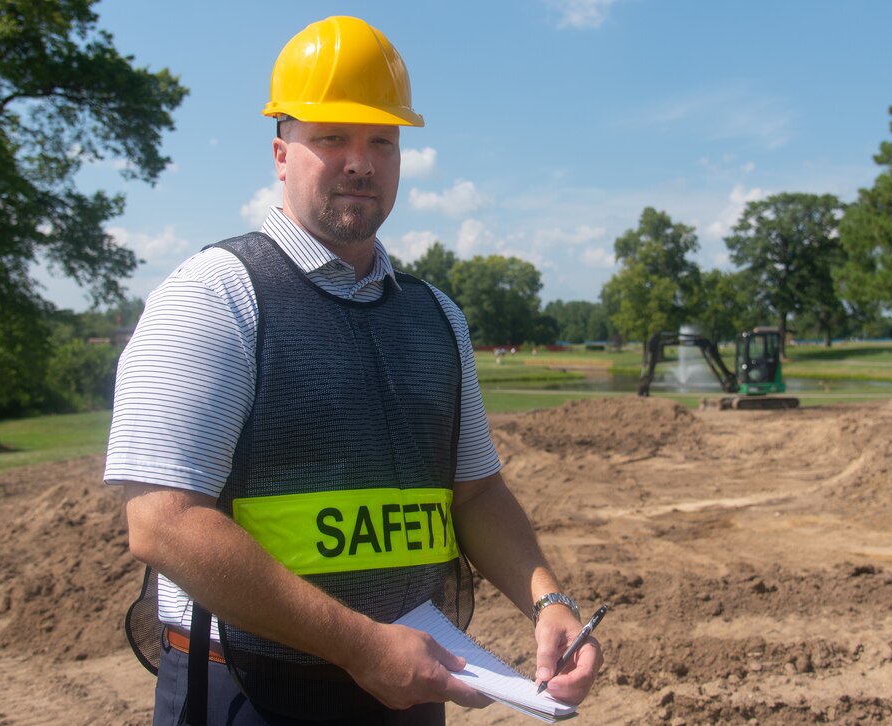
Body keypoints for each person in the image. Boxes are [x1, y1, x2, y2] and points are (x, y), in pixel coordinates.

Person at [105, 15, 603, 726]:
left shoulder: (436, 318)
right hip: (250, 691)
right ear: (281, 153)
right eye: (330, 137)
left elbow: (477, 495)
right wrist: (362, 645)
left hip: (408, 686)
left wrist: (548, 600)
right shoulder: (216, 294)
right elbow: (162, 523)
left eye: (381, 140)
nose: (360, 162)